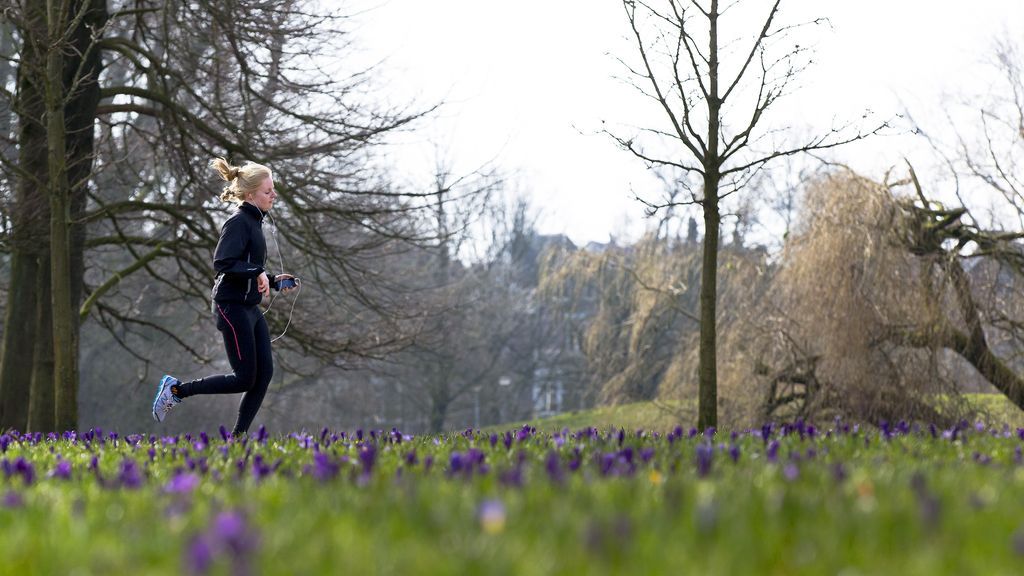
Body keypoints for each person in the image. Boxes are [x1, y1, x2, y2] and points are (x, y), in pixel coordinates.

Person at [151, 157, 297, 436]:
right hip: (231, 308)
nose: (274, 195)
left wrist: (272, 281)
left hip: (249, 307)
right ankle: (177, 389)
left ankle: (237, 439)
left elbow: (248, 269)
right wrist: (257, 272)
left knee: (263, 375)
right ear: (250, 194)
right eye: (268, 191)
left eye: (273, 190)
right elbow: (223, 263)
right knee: (244, 379)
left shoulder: (256, 223)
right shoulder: (239, 222)